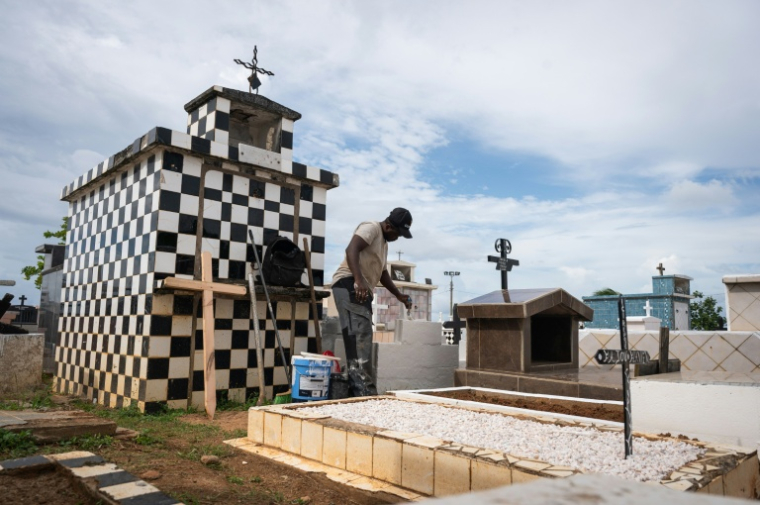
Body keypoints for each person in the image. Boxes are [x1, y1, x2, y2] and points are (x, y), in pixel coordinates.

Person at [330, 208, 414, 396]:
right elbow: (352, 248)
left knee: (357, 338)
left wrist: (398, 295)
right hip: (350, 283)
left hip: (358, 288)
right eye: (398, 233)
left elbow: (382, 273)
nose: (398, 237)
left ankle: (356, 391)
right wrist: (358, 280)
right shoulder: (372, 228)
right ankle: (365, 393)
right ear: (389, 225)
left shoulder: (384, 243)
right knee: (361, 336)